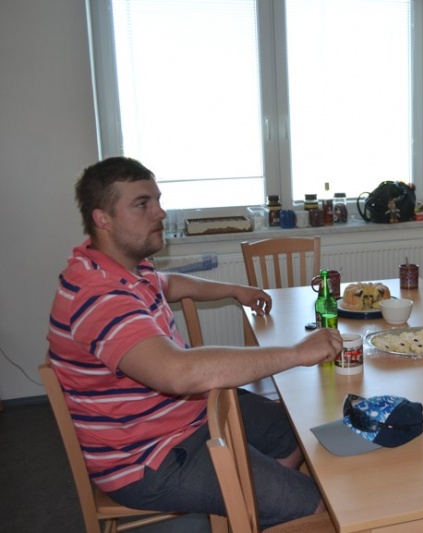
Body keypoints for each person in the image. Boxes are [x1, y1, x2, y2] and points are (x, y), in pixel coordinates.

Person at [47, 156, 342, 528]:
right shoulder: (98, 296)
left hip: (185, 417)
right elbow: (179, 374)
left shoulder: (127, 267)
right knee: (322, 505)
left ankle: (258, 510)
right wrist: (297, 353)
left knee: (294, 428)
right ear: (102, 219)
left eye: (157, 200)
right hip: (149, 459)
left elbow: (171, 284)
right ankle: (281, 504)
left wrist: (235, 289)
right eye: (142, 204)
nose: (159, 212)